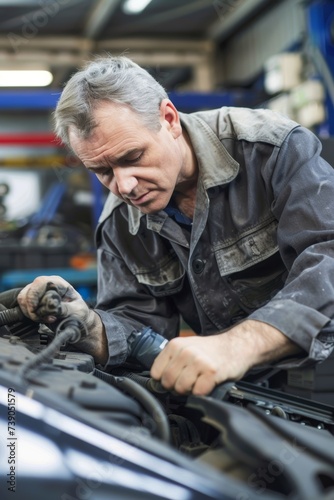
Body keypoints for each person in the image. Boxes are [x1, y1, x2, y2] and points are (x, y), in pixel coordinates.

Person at [17, 55, 334, 395]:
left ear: (168, 119)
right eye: (102, 171)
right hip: (247, 398)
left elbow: (327, 257)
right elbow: (139, 326)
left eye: (132, 157)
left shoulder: (270, 151)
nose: (124, 186)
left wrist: (237, 346)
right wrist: (90, 326)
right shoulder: (119, 222)